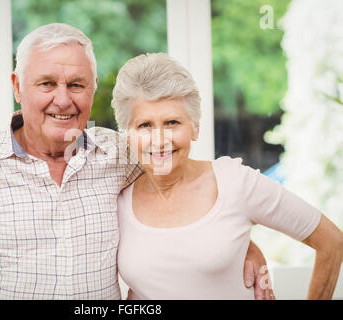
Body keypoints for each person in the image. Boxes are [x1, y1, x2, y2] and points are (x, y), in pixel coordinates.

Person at [0, 24, 269, 300]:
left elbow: (187, 184)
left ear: (92, 88)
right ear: (17, 87)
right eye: (46, 84)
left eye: (76, 85)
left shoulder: (122, 154)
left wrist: (236, 239)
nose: (63, 99)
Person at [113, 52, 343, 300]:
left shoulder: (234, 182)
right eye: (144, 125)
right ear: (128, 135)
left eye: (172, 122)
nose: (159, 140)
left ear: (195, 128)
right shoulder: (117, 197)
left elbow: (331, 241)